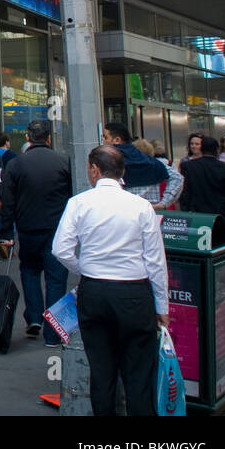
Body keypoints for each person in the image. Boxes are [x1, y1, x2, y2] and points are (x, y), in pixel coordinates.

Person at [52, 146, 168, 416]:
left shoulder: (79, 203)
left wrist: (84, 269)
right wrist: (162, 306)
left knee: (102, 372)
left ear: (94, 170)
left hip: (94, 290)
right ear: (122, 172)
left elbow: (60, 249)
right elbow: (155, 261)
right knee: (139, 374)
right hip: (135, 292)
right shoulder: (141, 207)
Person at [0, 120, 72, 346]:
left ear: (28, 138)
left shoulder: (17, 165)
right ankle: (54, 333)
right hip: (57, 230)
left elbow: (8, 201)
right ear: (49, 138)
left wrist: (6, 231)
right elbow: (71, 197)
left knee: (29, 271)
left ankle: (34, 316)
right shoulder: (64, 162)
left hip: (28, 228)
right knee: (56, 278)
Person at [180, 135, 225, 292]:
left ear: (201, 148)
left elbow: (186, 194)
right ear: (217, 150)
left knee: (200, 251)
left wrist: (186, 213)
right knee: (222, 250)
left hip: (198, 214)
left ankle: (202, 282)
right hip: (222, 215)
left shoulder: (190, 167)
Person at [102, 123, 182, 212]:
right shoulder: (151, 161)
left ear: (117, 140)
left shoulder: (111, 162)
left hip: (123, 213)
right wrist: (163, 203)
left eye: (105, 137)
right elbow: (177, 178)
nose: (102, 141)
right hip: (150, 213)